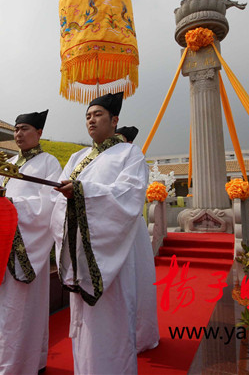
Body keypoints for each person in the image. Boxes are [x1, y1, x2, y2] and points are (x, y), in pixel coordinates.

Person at [51, 92, 159, 374]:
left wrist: (84, 193)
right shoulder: (77, 157)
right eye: (88, 116)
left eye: (97, 114)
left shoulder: (130, 154)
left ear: (114, 120)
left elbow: (130, 195)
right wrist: (66, 196)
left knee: (113, 319)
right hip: (81, 252)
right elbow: (57, 202)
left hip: (114, 252)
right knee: (85, 325)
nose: (91, 120)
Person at [0, 110, 62, 375]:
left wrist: (13, 206)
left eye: (24, 129)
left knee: (20, 312)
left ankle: (22, 365)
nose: (18, 134)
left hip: (26, 248)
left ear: (39, 133)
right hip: (1, 249)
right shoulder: (6, 164)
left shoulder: (49, 163)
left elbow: (50, 206)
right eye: (16, 129)